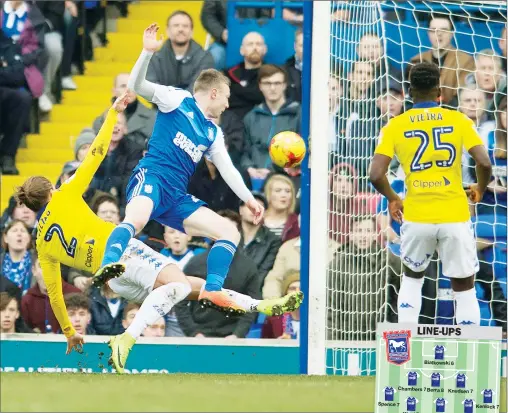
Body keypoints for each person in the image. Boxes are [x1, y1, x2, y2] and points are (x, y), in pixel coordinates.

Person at [14, 95, 300, 370]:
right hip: (123, 255)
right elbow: (96, 154)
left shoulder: (41, 243)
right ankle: (126, 339)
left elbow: (54, 293)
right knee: (178, 286)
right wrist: (113, 113)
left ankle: (261, 305)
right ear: (51, 191)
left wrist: (68, 331)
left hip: (116, 282)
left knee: (193, 287)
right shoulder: (64, 195)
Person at [97, 24, 265, 312]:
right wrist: (147, 53)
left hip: (176, 196)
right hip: (153, 177)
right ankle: (108, 264)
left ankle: (212, 291)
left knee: (229, 231)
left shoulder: (213, 133)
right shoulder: (178, 99)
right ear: (213, 93)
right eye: (226, 97)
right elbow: (138, 86)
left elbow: (228, 169)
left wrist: (249, 199)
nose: (228, 104)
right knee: (136, 219)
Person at [369, 61, 492, 326]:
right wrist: (479, 189)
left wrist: (393, 198)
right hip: (454, 215)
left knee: (412, 279)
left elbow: (376, 174)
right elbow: (484, 163)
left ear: (410, 92)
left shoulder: (394, 126)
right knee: (464, 287)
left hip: (416, 214)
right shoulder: (458, 120)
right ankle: (468, 355)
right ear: (439, 91)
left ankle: (403, 353)